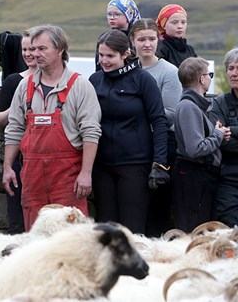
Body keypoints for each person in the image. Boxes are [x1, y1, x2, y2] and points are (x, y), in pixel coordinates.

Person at [3, 24, 101, 231]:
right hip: (32, 175)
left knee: (70, 235)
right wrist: (8, 167)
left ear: (60, 50)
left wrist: (86, 173)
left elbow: (91, 133)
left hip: (67, 176)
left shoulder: (80, 85)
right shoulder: (25, 86)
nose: (35, 54)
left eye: (42, 49)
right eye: (33, 49)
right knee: (34, 233)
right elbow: (14, 129)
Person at [88, 29, 167, 234]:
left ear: (125, 54)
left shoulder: (142, 80)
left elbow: (159, 121)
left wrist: (159, 163)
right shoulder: (95, 81)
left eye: (110, 56)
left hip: (135, 165)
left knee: (133, 229)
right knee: (105, 230)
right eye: (101, 55)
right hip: (102, 166)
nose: (104, 61)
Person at [130, 18, 182, 236]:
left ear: (158, 40)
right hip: (131, 144)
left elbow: (170, 114)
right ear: (132, 41)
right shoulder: (127, 70)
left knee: (156, 208)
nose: (147, 44)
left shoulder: (169, 72)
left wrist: (134, 114)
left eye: (151, 39)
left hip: (160, 145)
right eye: (141, 39)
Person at [172, 57, 230, 233]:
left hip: (198, 177)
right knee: (194, 230)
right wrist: (218, 135)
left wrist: (217, 136)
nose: (210, 78)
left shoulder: (193, 105)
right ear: (201, 79)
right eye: (209, 74)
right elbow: (195, 148)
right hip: (193, 177)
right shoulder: (189, 107)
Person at [0, 29, 38, 235]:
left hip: (47, 155)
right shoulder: (13, 81)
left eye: (34, 49)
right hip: (20, 155)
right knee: (18, 221)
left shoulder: (58, 79)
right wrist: (18, 106)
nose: (29, 54)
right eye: (25, 49)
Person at [209, 48, 238, 226]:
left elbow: (226, 136)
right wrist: (222, 137)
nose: (234, 73)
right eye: (230, 68)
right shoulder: (220, 102)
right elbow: (218, 140)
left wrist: (231, 130)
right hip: (228, 180)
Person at [95, 0, 141, 71]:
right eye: (109, 14)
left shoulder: (138, 37)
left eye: (117, 14)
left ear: (128, 15)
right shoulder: (104, 37)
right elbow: (98, 67)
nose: (112, 17)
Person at [156, 4, 197, 68]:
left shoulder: (190, 50)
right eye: (174, 22)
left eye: (183, 22)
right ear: (164, 25)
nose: (180, 26)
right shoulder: (159, 47)